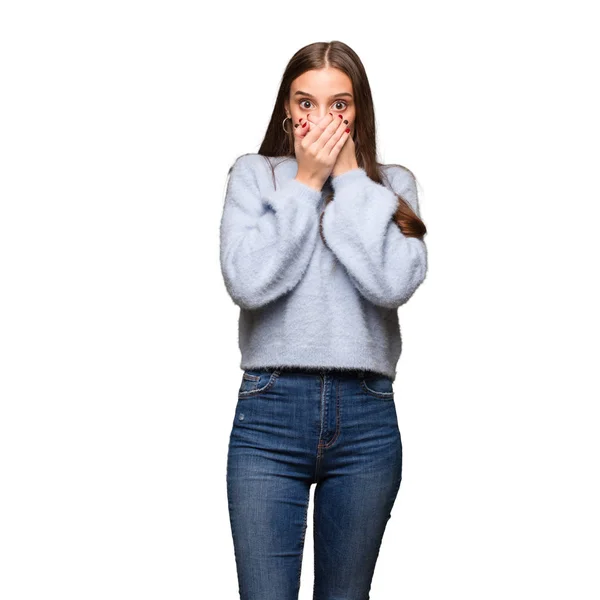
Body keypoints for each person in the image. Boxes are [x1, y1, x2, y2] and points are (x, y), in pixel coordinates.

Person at [219, 40, 428, 600]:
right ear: (287, 109)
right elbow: (248, 283)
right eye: (305, 102)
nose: (320, 117)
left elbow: (393, 285)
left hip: (366, 419)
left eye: (339, 104)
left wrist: (352, 181)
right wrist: (307, 184)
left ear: (358, 111)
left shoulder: (391, 186)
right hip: (270, 413)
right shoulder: (256, 176)